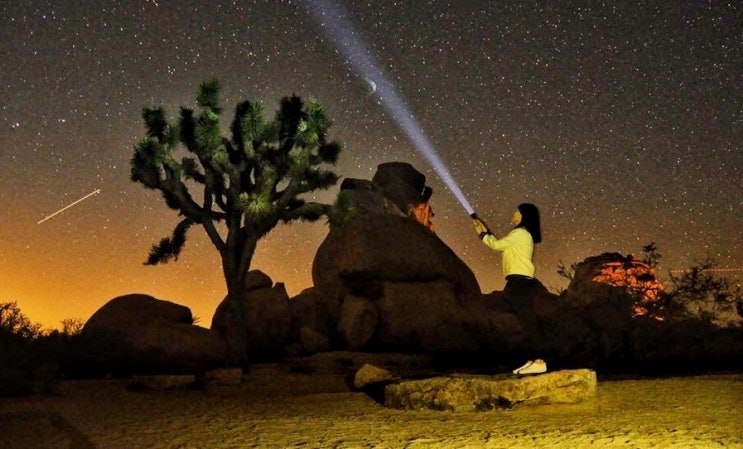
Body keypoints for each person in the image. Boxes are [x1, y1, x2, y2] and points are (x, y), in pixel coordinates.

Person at [473, 203, 546, 375]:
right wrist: (485, 231)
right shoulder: (521, 234)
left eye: (516, 212)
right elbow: (501, 245)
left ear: (523, 215)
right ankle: (533, 360)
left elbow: (497, 245)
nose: (513, 214)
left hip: (519, 282)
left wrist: (482, 233)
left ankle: (540, 360)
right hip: (517, 282)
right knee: (524, 319)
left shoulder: (520, 233)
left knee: (528, 320)